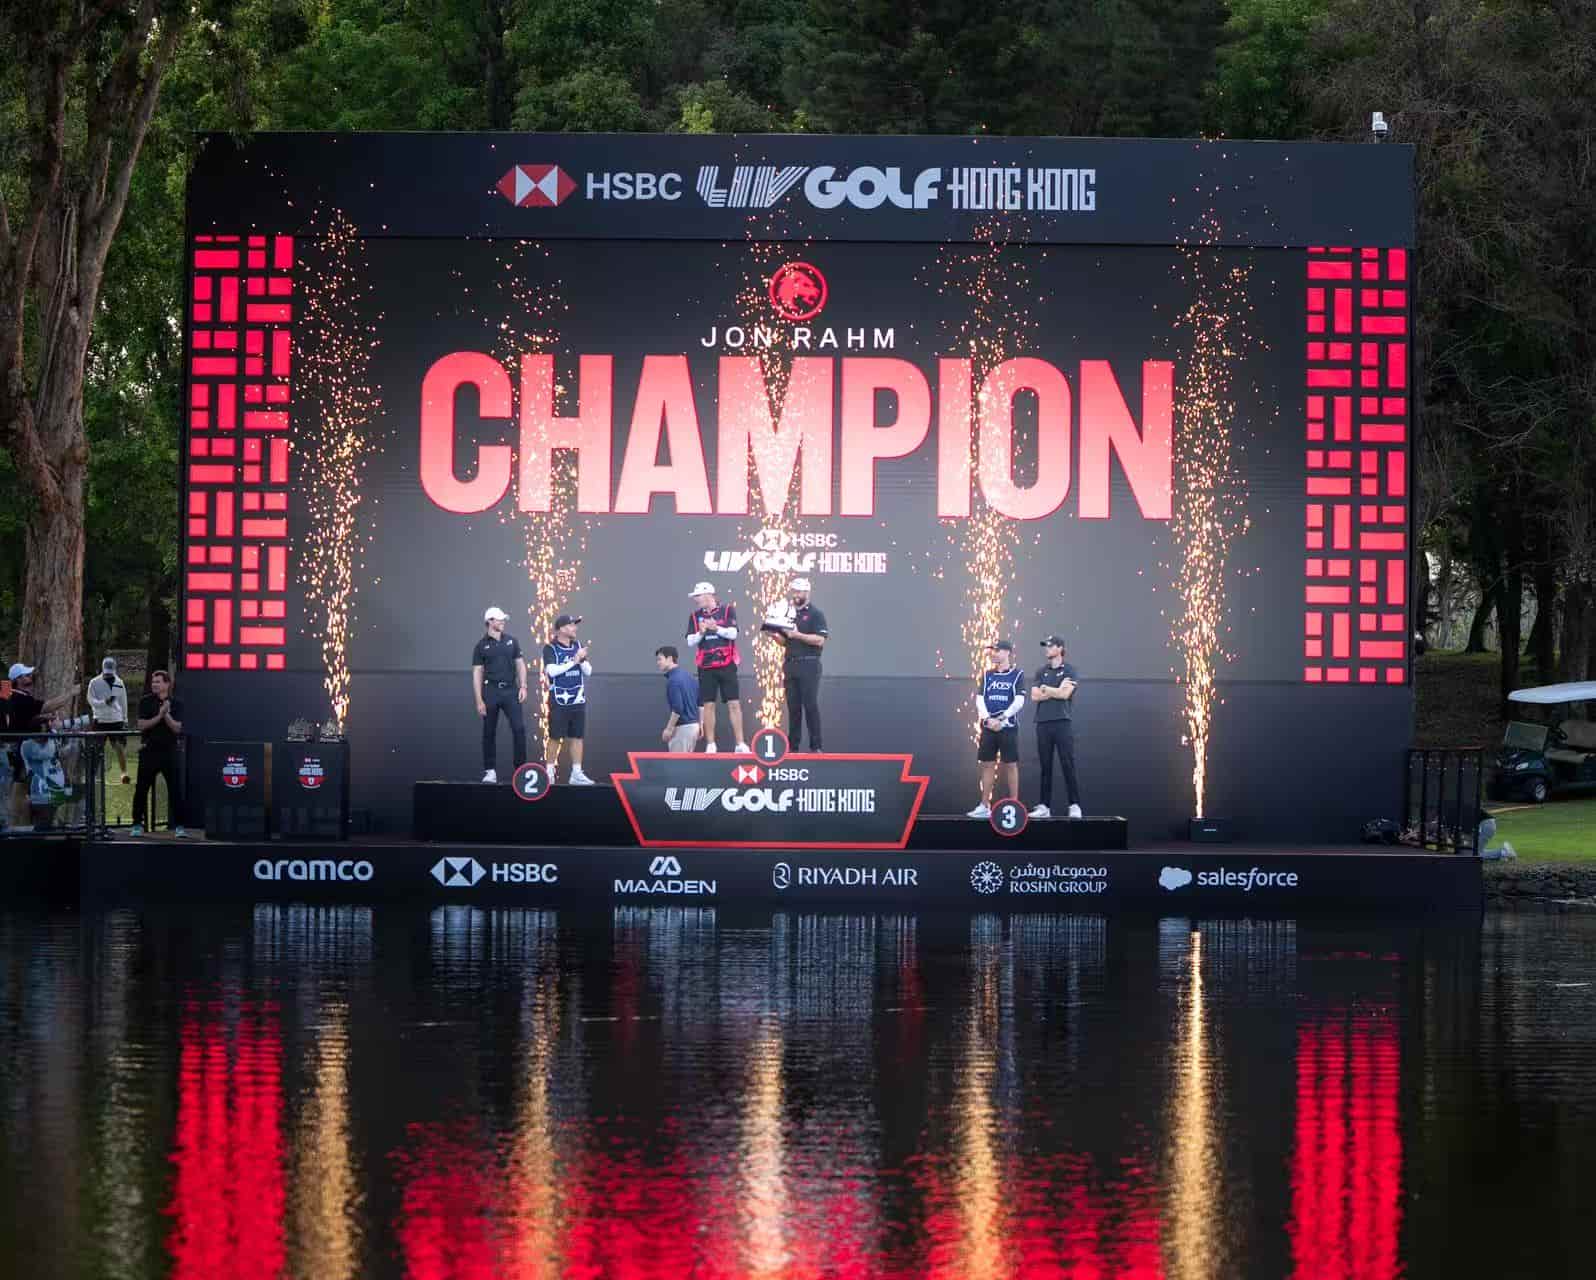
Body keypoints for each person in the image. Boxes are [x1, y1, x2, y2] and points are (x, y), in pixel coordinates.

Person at [4, 662, 75, 829]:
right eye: (26, 675)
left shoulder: (21, 697)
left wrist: (44, 718)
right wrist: (70, 693)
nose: (30, 677)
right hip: (22, 748)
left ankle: (25, 824)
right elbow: (46, 706)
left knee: (24, 786)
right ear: (17, 680)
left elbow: (30, 716)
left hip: (24, 748)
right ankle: (16, 826)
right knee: (20, 786)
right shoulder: (19, 698)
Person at [686, 581, 750, 754]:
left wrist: (716, 628)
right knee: (708, 705)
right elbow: (690, 641)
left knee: (734, 703)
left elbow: (734, 633)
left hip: (727, 663)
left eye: (698, 596)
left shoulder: (727, 610)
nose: (696, 600)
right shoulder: (694, 616)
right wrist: (701, 632)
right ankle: (711, 744)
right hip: (705, 666)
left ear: (708, 595)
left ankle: (740, 744)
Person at [767, 576, 827, 752]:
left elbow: (820, 640)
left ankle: (816, 746)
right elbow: (785, 641)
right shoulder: (788, 613)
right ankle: (792, 747)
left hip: (809, 664)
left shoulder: (816, 614)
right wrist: (774, 635)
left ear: (807, 593)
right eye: (794, 591)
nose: (796, 595)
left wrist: (798, 635)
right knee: (793, 707)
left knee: (810, 705)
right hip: (790, 664)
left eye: (799, 591)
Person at [967, 641, 1026, 819]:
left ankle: (1014, 805)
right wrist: (987, 719)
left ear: (1008, 652)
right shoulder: (987, 675)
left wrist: (1002, 718)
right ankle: (984, 805)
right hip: (989, 727)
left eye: (997, 650)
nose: (993, 653)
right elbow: (979, 699)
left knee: (1011, 764)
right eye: (992, 650)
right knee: (987, 764)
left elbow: (1019, 701)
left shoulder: (1017, 674)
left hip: (1007, 727)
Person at [472, 605, 528, 783]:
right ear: (489, 621)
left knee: (519, 728)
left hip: (511, 690)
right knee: (489, 731)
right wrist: (479, 700)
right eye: (499, 619)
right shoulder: (481, 646)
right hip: (491, 691)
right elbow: (477, 673)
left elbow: (520, 664)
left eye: (503, 619)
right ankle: (490, 771)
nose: (503, 622)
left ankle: (520, 770)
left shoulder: (512, 641)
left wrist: (523, 686)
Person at [1030, 634, 1083, 819]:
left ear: (1060, 648)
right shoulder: (1041, 671)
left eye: (1051, 646)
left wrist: (1046, 689)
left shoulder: (1069, 670)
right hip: (1043, 723)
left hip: (1062, 722)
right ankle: (1044, 806)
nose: (1047, 649)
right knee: (1045, 766)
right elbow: (1034, 696)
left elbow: (1065, 694)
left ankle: (1074, 805)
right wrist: (1056, 690)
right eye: (1046, 646)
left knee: (1067, 763)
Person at [131, 669, 186, 837]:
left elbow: (178, 728)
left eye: (158, 682)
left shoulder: (177, 703)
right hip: (150, 750)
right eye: (153, 682)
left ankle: (179, 826)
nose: (154, 684)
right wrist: (159, 715)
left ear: (167, 684)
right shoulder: (146, 701)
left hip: (170, 751)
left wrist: (166, 715)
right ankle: (137, 824)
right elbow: (141, 725)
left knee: (175, 789)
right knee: (141, 789)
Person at [542, 614, 595, 785]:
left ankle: (577, 774)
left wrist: (581, 660)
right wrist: (574, 661)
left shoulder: (578, 645)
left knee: (577, 736)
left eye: (575, 625)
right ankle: (549, 773)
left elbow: (588, 671)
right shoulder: (550, 648)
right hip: (559, 700)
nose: (575, 628)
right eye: (572, 625)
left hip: (577, 699)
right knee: (555, 737)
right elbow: (552, 671)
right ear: (562, 629)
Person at [87, 657, 132, 784]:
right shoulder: (94, 682)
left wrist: (125, 719)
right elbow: (91, 700)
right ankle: (93, 775)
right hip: (100, 720)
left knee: (119, 748)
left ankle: (124, 773)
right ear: (102, 669)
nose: (108, 675)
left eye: (110, 673)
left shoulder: (119, 682)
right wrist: (103, 703)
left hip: (116, 720)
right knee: (96, 749)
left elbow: (123, 702)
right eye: (106, 673)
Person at [655, 646, 702, 752]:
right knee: (685, 761)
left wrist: (669, 729)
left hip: (683, 729)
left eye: (660, 659)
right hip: (693, 727)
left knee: (678, 762)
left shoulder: (673, 680)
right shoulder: (690, 677)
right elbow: (700, 703)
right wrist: (700, 724)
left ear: (670, 659)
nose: (658, 663)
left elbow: (678, 708)